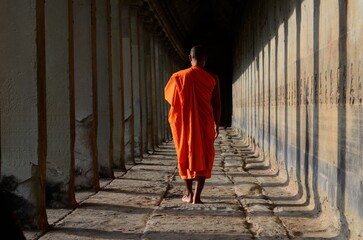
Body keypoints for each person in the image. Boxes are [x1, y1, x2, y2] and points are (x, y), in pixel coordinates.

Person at [164, 45, 221, 204]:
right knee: (204, 155)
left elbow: (172, 101)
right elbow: (217, 104)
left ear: (190, 58)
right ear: (205, 59)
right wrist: (217, 123)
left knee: (185, 155)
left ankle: (188, 194)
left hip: (183, 124)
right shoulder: (213, 77)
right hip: (205, 122)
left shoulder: (178, 77)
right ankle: (197, 196)